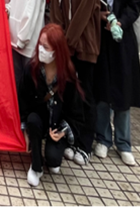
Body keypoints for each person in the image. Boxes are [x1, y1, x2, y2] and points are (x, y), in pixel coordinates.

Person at [93, 0, 140, 166]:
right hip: (100, 37)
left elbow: (136, 1)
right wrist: (99, 16)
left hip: (122, 38)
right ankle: (103, 138)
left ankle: (124, 142)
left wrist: (121, 21)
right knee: (102, 88)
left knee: (123, 87)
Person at [50, 0, 100, 165]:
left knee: (86, 92)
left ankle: (85, 144)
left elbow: (84, 11)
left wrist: (68, 41)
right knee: (69, 91)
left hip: (84, 43)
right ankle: (72, 137)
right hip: (66, 43)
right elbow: (56, 7)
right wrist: (59, 37)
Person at [18, 24, 85, 187]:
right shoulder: (32, 69)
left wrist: (63, 131)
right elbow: (23, 100)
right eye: (40, 44)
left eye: (46, 47)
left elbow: (75, 110)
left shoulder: (68, 75)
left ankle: (53, 153)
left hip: (57, 124)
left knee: (54, 164)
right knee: (32, 121)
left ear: (57, 50)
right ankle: (36, 167)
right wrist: (25, 128)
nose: (41, 49)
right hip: (38, 119)